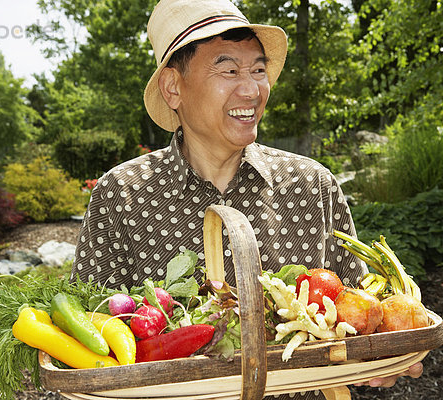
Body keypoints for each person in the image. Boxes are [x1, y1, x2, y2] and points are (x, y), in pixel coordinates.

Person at [71, 0, 423, 398]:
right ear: (173, 88)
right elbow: (90, 333)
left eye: (258, 70)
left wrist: (383, 355)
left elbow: (362, 312)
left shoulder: (310, 185)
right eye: (229, 70)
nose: (252, 89)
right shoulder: (122, 194)